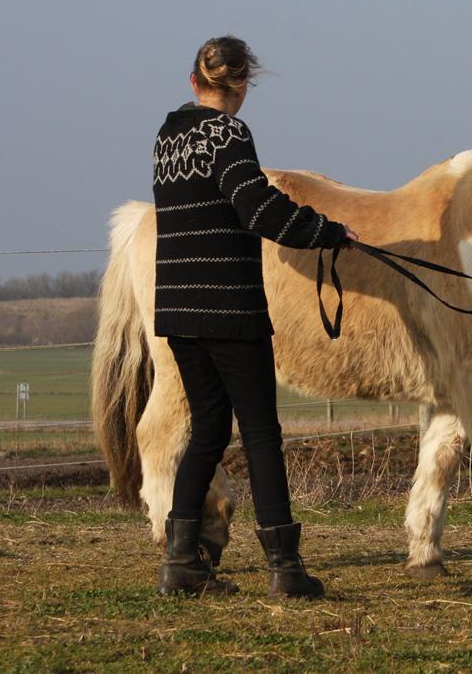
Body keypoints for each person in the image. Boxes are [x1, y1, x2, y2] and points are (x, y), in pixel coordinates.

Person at [151, 35, 356, 598]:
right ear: (241, 88)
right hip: (229, 307)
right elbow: (260, 209)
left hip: (178, 309)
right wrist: (328, 232)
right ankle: (285, 569)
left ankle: (180, 562)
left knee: (208, 432)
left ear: (194, 82)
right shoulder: (230, 134)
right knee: (262, 435)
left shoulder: (168, 137)